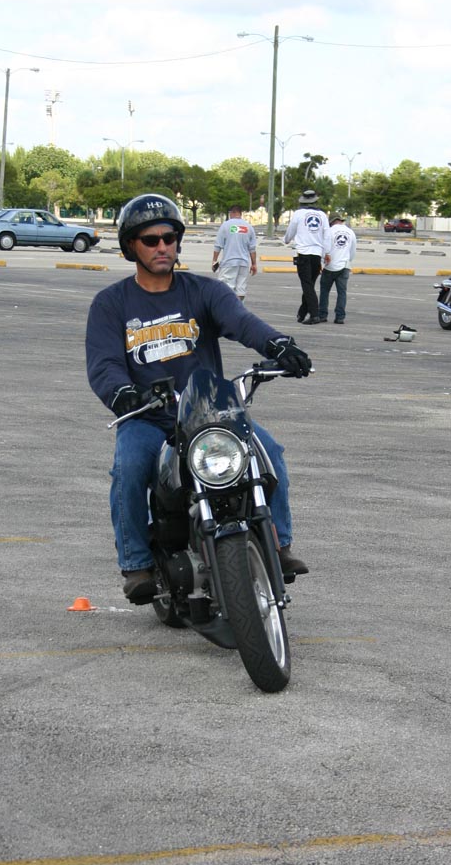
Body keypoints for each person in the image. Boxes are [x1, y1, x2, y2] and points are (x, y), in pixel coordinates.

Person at [86, 193, 312, 604]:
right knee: (128, 468)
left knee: (270, 452)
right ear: (131, 246)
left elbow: (242, 322)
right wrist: (122, 393)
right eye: (150, 240)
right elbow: (104, 364)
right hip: (148, 417)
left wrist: (278, 344)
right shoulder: (111, 304)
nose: (162, 247)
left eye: (169, 238)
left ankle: (278, 545)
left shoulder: (205, 291)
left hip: (209, 414)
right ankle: (136, 564)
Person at [283, 189, 331, 325]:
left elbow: (291, 231)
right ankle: (302, 312)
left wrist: (286, 240)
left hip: (303, 253)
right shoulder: (322, 215)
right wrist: (327, 252)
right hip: (317, 254)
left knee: (307, 285)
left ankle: (314, 314)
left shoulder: (298, 214)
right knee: (310, 284)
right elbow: (327, 235)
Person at [211, 204, 257, 301]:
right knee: (241, 290)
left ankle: (228, 307)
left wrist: (214, 260)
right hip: (244, 263)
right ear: (240, 213)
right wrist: (254, 264)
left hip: (229, 262)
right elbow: (252, 249)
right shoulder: (249, 227)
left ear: (231, 213)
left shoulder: (225, 225)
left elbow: (218, 245)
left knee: (225, 289)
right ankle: (238, 307)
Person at [320, 215, 357, 324]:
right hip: (344, 266)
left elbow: (324, 249)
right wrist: (348, 260)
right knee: (342, 293)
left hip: (329, 266)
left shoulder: (329, 232)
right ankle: (340, 317)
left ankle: (322, 314)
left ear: (331, 222)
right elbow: (352, 251)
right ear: (340, 221)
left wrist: (322, 261)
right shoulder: (350, 232)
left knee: (324, 291)